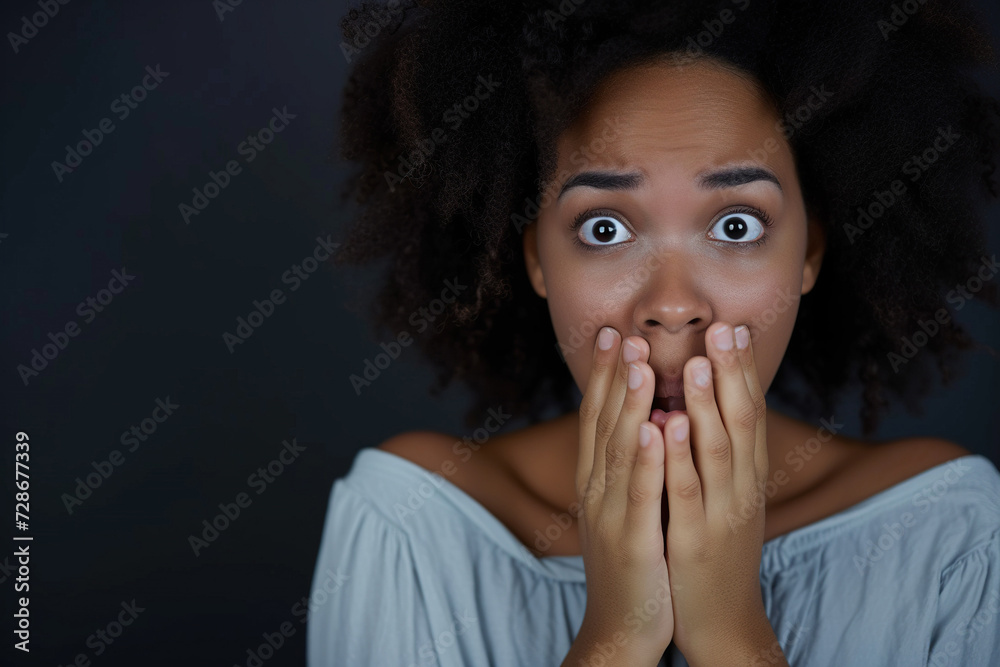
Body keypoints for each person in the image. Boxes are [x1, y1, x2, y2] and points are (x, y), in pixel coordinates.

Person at [309, 1, 1000, 664]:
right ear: (537, 259)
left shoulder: (950, 532)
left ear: (809, 252)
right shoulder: (411, 523)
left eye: (737, 225)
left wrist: (731, 633)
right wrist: (614, 638)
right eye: (604, 228)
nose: (672, 305)